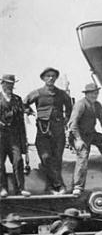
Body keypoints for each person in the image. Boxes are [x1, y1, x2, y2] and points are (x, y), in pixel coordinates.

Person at [24, 67, 72, 195]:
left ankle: (50, 188)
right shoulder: (38, 93)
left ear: (56, 78)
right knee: (45, 157)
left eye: (53, 76)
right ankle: (59, 184)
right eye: (48, 76)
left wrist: (65, 120)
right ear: (44, 78)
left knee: (57, 159)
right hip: (43, 131)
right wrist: (30, 112)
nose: (50, 78)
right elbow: (23, 104)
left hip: (58, 132)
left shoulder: (62, 94)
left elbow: (69, 108)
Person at [69, 82, 102, 196]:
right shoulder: (80, 105)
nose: (94, 95)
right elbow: (72, 124)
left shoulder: (97, 105)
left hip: (91, 134)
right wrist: (78, 139)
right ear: (86, 94)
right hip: (78, 135)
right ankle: (77, 186)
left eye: (96, 93)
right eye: (92, 93)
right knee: (83, 155)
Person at [0, 73, 30, 197]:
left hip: (14, 136)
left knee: (18, 160)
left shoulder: (17, 99)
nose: (9, 86)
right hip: (0, 135)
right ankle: (2, 188)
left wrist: (24, 141)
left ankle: (20, 189)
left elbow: (21, 122)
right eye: (7, 83)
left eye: (11, 84)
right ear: (2, 84)